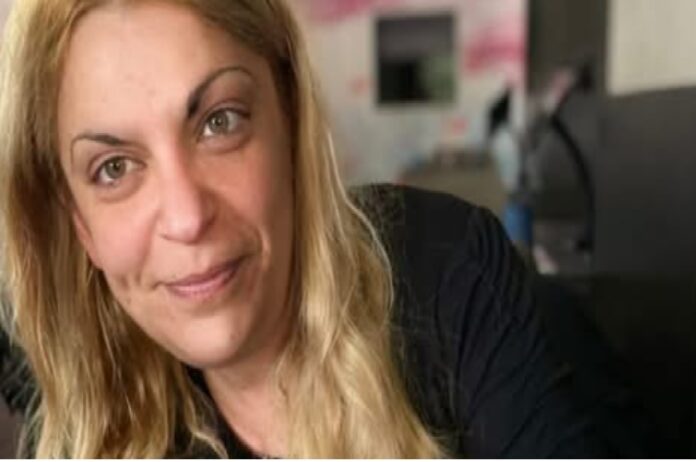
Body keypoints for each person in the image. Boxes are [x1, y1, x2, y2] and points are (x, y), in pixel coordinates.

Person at [0, 0, 635, 458]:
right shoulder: (88, 431)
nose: (187, 217)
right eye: (114, 168)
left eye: (220, 122)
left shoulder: (449, 275)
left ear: (290, 123)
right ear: (79, 226)